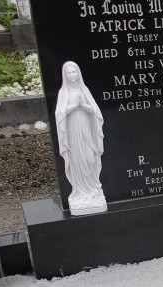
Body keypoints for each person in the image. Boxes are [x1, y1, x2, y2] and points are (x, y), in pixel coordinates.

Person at [55, 61, 107, 215]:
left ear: (78, 73)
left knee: (90, 159)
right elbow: (59, 113)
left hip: (86, 128)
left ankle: (93, 188)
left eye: (74, 72)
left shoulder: (85, 90)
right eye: (69, 73)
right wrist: (73, 107)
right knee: (76, 159)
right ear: (65, 75)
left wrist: (84, 106)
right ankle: (81, 191)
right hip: (72, 130)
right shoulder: (63, 92)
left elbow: (96, 112)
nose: (72, 75)